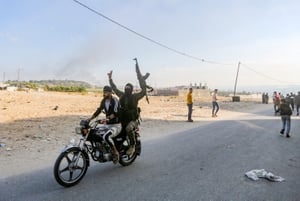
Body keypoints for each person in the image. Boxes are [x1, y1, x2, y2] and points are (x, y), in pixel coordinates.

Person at [108, 71, 146, 155]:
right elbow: (114, 88)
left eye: (128, 88)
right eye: (126, 88)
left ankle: (132, 145)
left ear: (131, 89)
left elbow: (143, 92)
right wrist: (110, 79)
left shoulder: (135, 97)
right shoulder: (122, 95)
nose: (126, 90)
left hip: (132, 120)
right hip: (123, 119)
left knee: (128, 128)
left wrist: (142, 80)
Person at [88, 85, 121, 163]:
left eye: (106, 92)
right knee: (95, 133)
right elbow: (99, 110)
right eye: (104, 92)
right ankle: (103, 149)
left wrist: (108, 118)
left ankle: (116, 153)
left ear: (110, 93)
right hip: (107, 125)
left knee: (106, 136)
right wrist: (89, 119)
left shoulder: (115, 100)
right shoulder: (104, 101)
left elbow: (116, 113)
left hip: (116, 125)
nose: (104, 94)